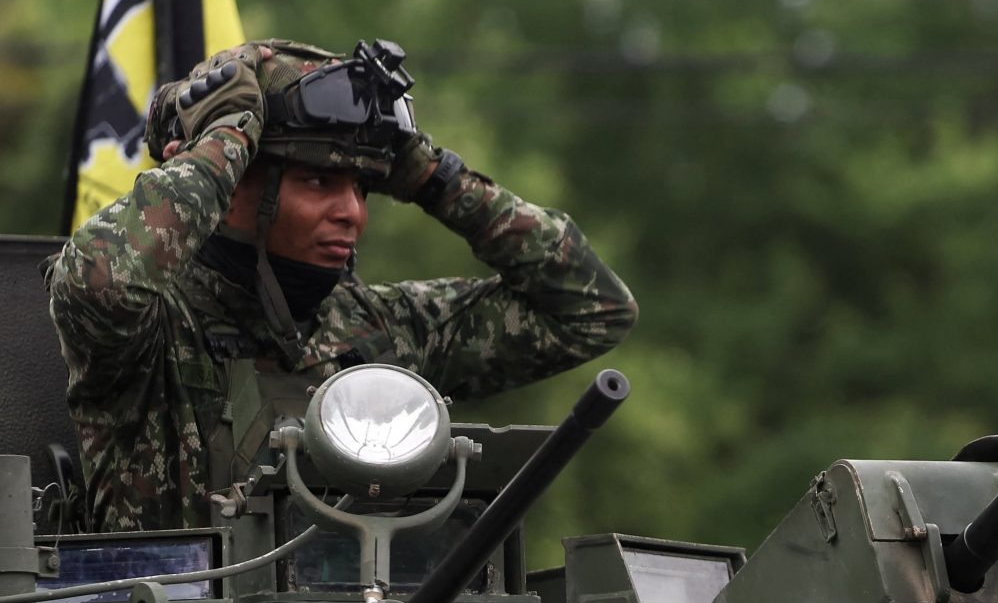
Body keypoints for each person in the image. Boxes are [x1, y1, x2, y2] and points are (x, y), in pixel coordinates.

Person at [48, 39, 636, 531]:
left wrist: (436, 180)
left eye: (362, 187)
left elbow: (593, 309)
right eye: (318, 181)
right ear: (226, 186)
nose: (352, 212)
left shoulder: (381, 328)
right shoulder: (152, 327)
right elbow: (101, 281)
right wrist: (223, 142)